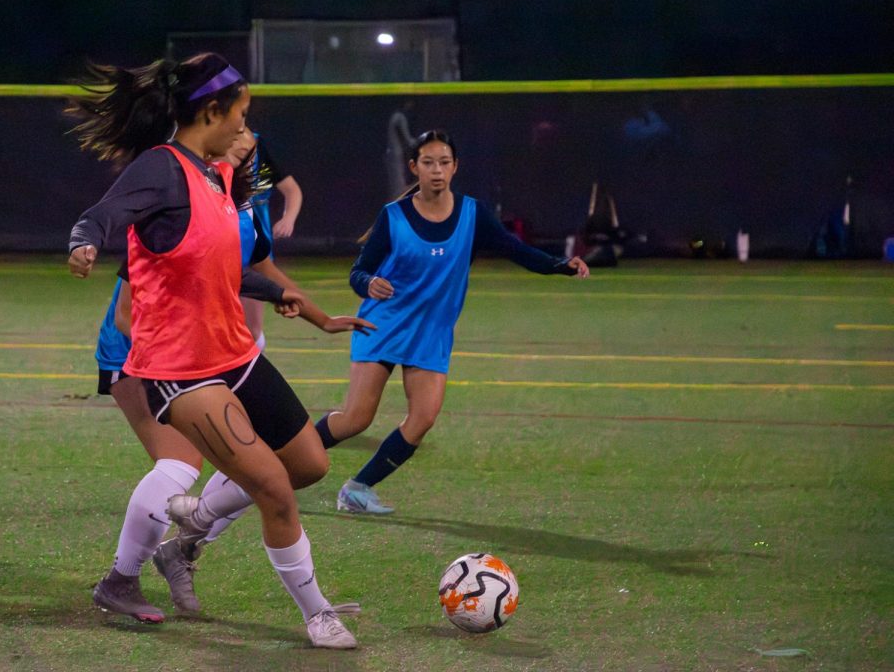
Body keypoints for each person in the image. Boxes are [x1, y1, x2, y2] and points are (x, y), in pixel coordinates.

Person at [67, 52, 370, 649]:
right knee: (273, 491)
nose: (246, 128)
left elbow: (225, 269)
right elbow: (104, 214)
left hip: (235, 355)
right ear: (212, 111)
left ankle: (196, 520)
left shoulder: (216, 174)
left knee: (309, 465)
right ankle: (317, 614)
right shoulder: (162, 169)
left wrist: (312, 314)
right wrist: (83, 242)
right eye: (242, 114)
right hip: (183, 372)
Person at [314, 129, 590, 514]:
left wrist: (560, 265)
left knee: (423, 418)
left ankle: (358, 488)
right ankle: (280, 459)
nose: (437, 170)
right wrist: (368, 283)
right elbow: (358, 272)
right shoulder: (393, 217)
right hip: (384, 326)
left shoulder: (473, 214)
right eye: (428, 163)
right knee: (356, 419)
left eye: (444, 162)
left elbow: (516, 250)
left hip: (431, 334)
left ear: (455, 167)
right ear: (415, 167)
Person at [239, 133, 303, 348]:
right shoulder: (206, 161)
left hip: (254, 257)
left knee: (251, 329)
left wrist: (288, 219)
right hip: (220, 258)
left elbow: (291, 190)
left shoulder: (258, 157)